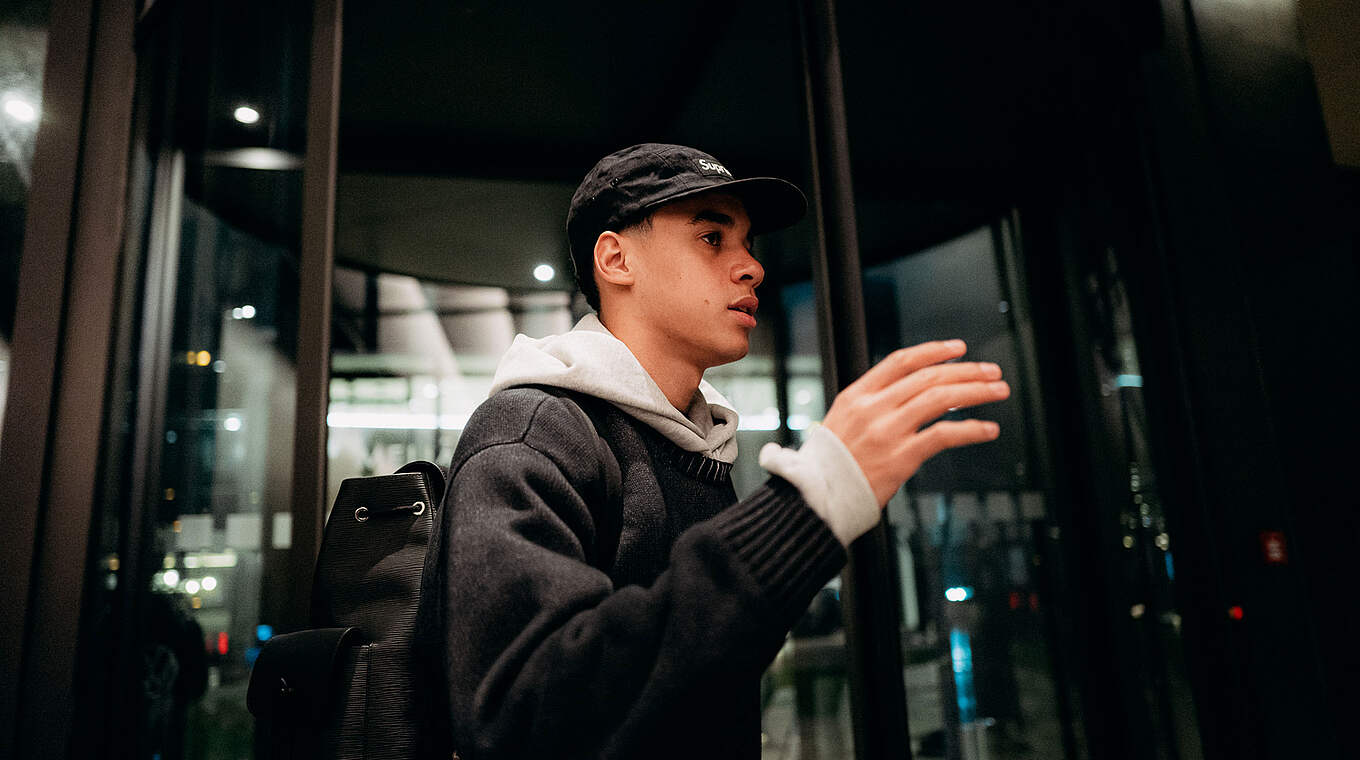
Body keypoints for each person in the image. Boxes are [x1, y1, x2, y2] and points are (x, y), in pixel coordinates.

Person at [426, 143, 1010, 758]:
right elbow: (521, 717)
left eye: (748, 243)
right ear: (616, 259)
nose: (752, 266)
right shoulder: (533, 430)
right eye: (712, 238)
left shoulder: (695, 444)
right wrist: (807, 508)